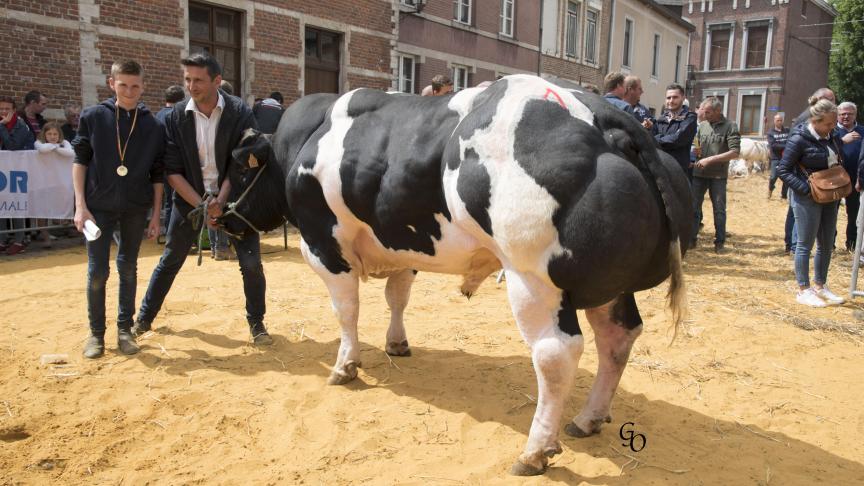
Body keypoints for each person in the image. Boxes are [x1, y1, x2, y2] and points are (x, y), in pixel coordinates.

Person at [132, 52, 273, 345]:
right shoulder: (174, 117)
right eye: (187, 79)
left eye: (198, 80)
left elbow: (242, 159)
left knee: (251, 264)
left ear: (217, 80)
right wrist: (202, 204)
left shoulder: (239, 111)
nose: (191, 86)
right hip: (189, 199)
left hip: (234, 200)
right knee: (170, 259)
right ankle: (144, 318)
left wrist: (220, 200)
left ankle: (257, 324)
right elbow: (171, 169)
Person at [72, 60, 165, 358]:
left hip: (135, 207)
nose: (129, 91)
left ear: (143, 86)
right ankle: (96, 335)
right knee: (97, 271)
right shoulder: (93, 117)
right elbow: (80, 161)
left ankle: (125, 330)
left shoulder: (152, 124)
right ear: (111, 84)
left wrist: (156, 214)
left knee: (128, 267)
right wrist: (80, 206)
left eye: (135, 85)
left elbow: (158, 173)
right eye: (123, 84)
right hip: (98, 207)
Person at [777, 99, 845, 307]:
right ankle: (803, 289)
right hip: (807, 198)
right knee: (805, 245)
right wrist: (807, 190)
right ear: (815, 120)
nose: (833, 127)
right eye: (829, 123)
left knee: (826, 244)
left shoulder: (832, 135)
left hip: (830, 196)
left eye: (834, 123)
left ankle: (820, 285)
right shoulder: (799, 139)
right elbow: (783, 170)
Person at [691, 97, 741, 253]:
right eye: (703, 111)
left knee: (719, 209)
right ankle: (692, 240)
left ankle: (719, 242)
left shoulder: (730, 126)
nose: (704, 115)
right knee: (694, 208)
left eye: (708, 112)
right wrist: (696, 150)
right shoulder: (703, 126)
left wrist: (709, 159)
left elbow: (734, 153)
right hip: (699, 174)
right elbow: (696, 144)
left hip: (718, 176)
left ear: (718, 111)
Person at [0, 95, 36, 255]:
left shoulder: (21, 125)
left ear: (14, 110)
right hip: (3, 171)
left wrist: (2, 127)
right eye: (1, 109)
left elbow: (13, 146)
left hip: (17, 171)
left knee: (16, 205)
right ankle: (2, 239)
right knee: (1, 205)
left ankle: (19, 240)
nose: (3, 111)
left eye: (7, 109)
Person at [652, 84, 697, 179]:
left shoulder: (690, 118)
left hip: (678, 171)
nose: (671, 101)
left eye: (675, 97)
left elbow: (677, 139)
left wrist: (657, 139)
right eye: (668, 98)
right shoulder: (662, 118)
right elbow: (650, 137)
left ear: (683, 98)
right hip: (660, 167)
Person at [835, 102, 864, 252]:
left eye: (849, 114)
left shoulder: (862, 131)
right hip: (834, 180)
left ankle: (851, 245)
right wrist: (842, 141)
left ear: (855, 115)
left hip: (856, 180)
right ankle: (829, 245)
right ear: (838, 115)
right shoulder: (831, 131)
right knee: (831, 213)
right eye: (842, 114)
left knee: (854, 214)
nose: (846, 116)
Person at [767, 114, 790, 199]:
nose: (779, 122)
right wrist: (786, 145)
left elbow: (791, 140)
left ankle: (784, 196)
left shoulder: (787, 131)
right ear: (774, 121)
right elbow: (773, 145)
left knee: (787, 178)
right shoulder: (770, 133)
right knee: (773, 177)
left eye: (781, 120)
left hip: (786, 158)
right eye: (778, 120)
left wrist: (784, 145)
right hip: (776, 158)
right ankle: (770, 189)